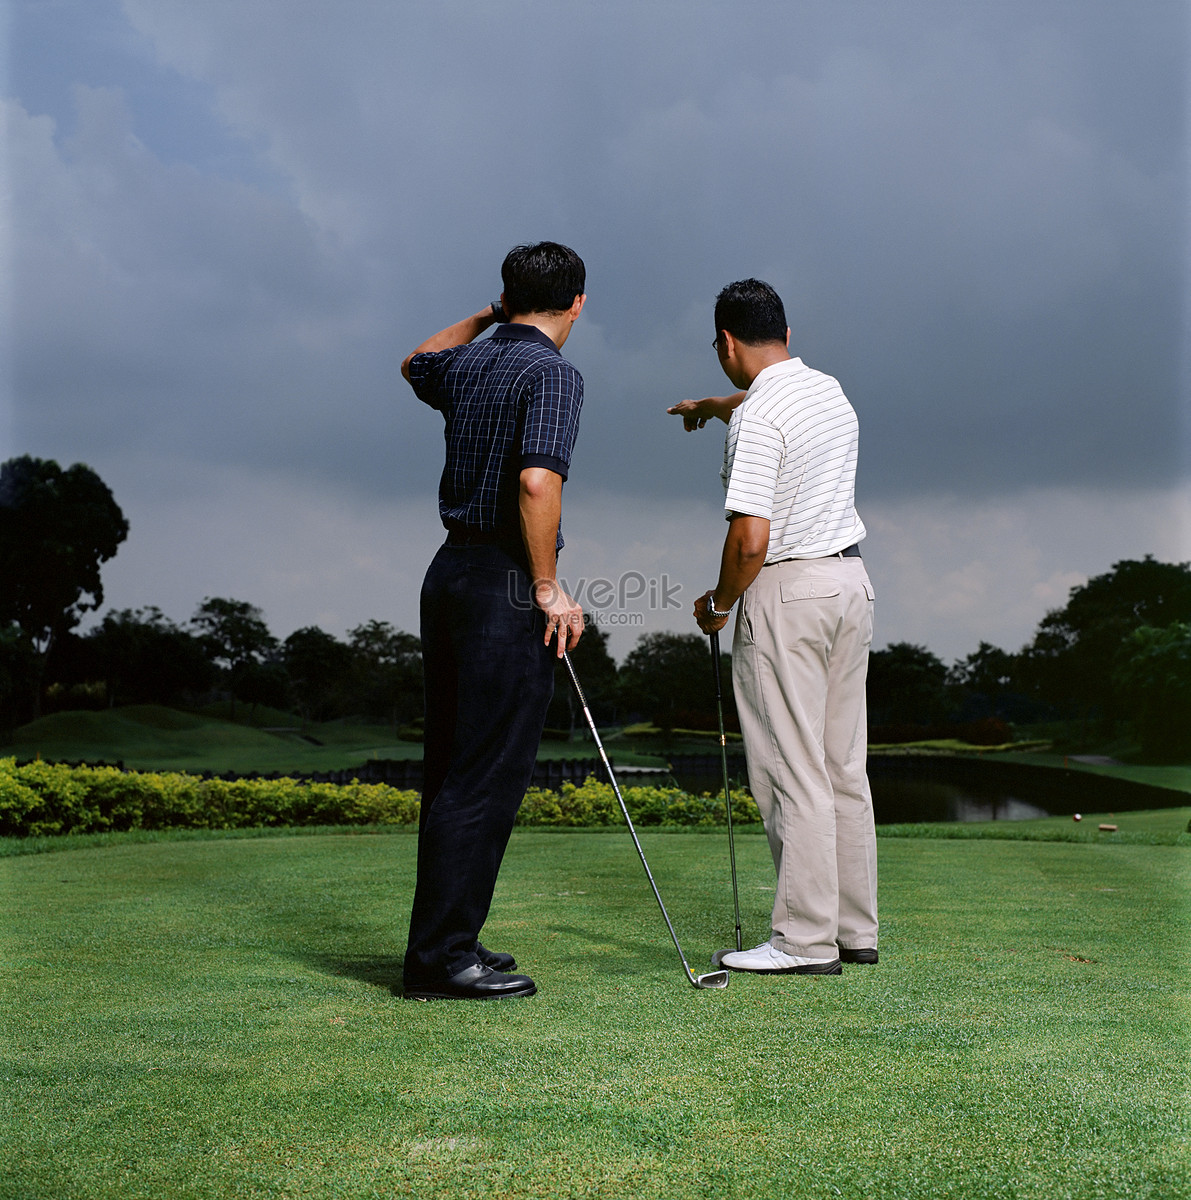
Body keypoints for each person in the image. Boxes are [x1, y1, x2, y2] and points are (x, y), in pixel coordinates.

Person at [668, 278, 878, 976]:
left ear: (725, 343)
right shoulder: (826, 389)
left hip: (785, 591)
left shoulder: (759, 419)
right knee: (842, 768)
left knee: (792, 772)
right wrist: (713, 407)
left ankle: (803, 941)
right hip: (849, 585)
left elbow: (749, 540)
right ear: (786, 336)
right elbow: (759, 402)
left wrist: (721, 604)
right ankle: (852, 930)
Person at [400, 242, 587, 1000]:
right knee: (484, 777)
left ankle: (448, 942)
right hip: (505, 582)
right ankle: (442, 959)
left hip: (449, 574)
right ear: (577, 303)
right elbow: (537, 482)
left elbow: (416, 358)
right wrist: (547, 587)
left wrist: (487, 314)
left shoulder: (468, 363)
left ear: (507, 299)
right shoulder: (553, 373)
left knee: (453, 769)